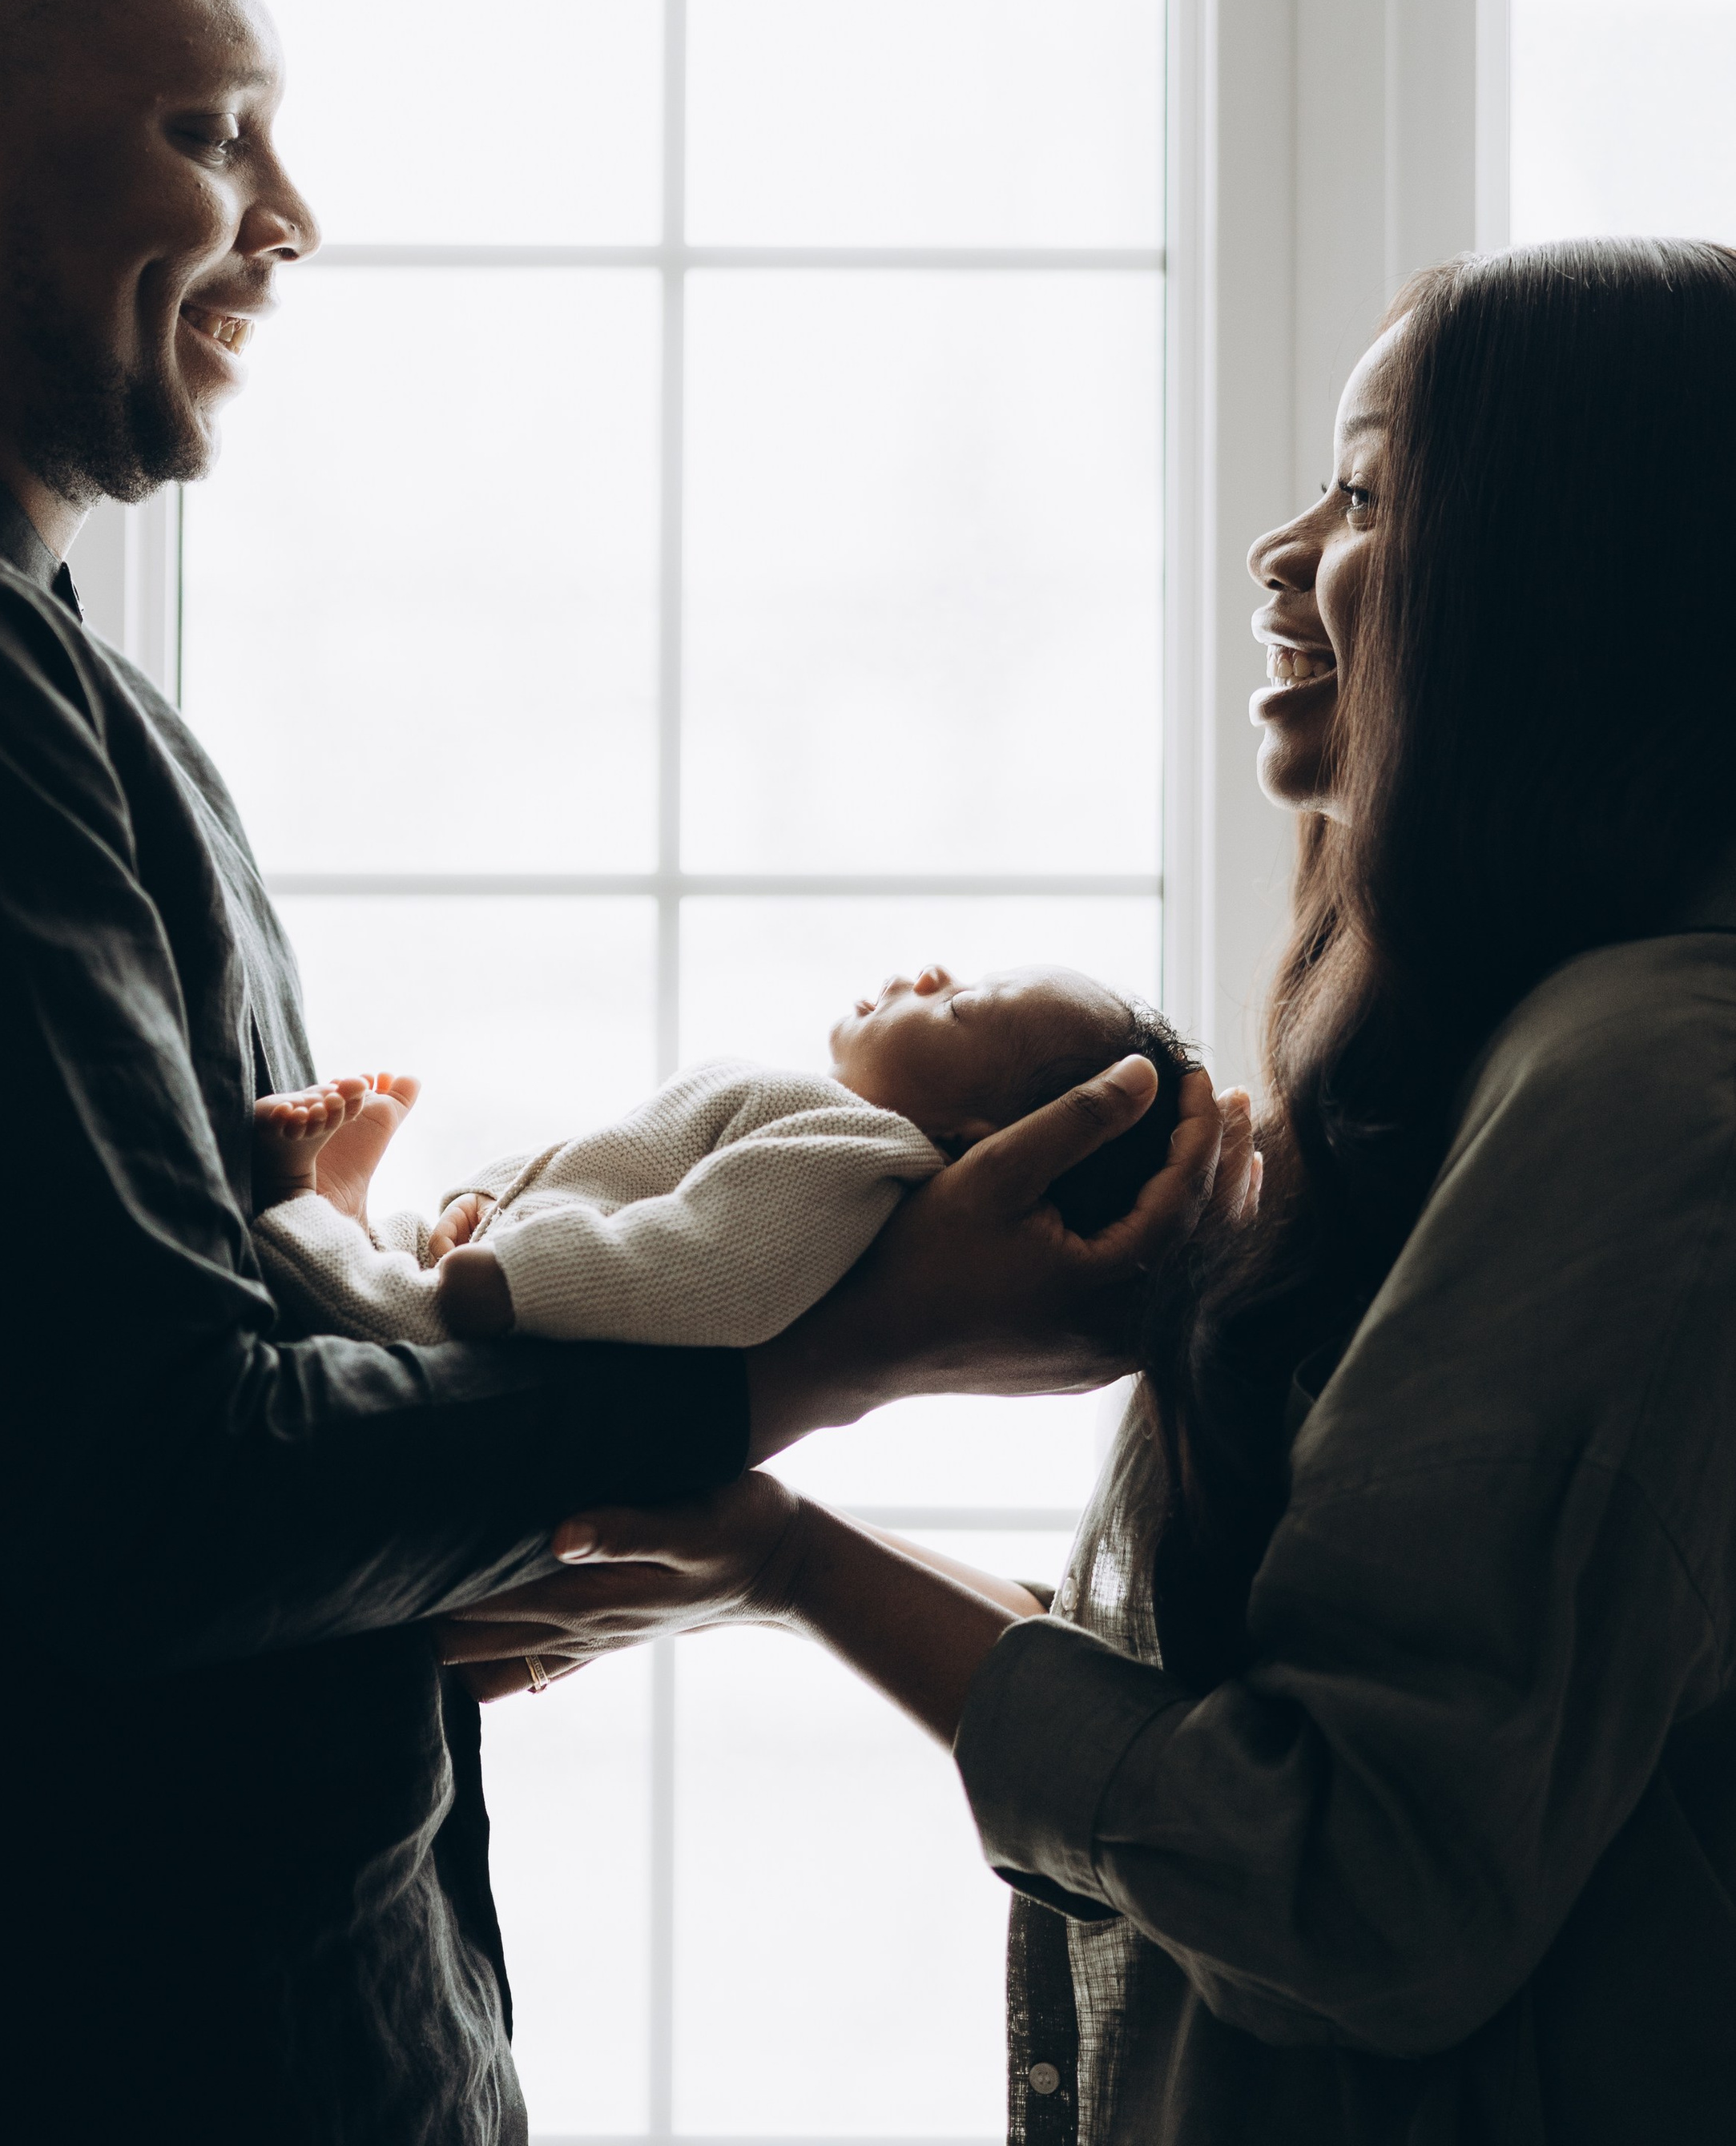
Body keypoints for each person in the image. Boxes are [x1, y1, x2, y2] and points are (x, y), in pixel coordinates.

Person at [0, 0, 1232, 2146]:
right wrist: (865, 1332)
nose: (287, 219)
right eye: (210, 130)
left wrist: (478, 1546)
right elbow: (154, 1495)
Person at [439, 238, 1736, 2145]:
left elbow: (1346, 1885)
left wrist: (792, 1560)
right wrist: (763, 1553)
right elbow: (1269, 1738)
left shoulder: (1641, 1079)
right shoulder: (1532, 1054)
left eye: (1366, 487)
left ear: (1558, 576)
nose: (1276, 549)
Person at [248, 964, 1207, 1347]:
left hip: (513, 1326)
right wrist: (489, 1202)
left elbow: (704, 1267)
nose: (928, 976)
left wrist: (511, 1274)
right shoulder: (816, 1117)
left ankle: (301, 1215)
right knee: (409, 1256)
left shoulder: (857, 1152)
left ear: (973, 1139)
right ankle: (370, 1223)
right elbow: (609, 1163)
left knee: (380, 1321)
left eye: (961, 1005)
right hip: (515, 1256)